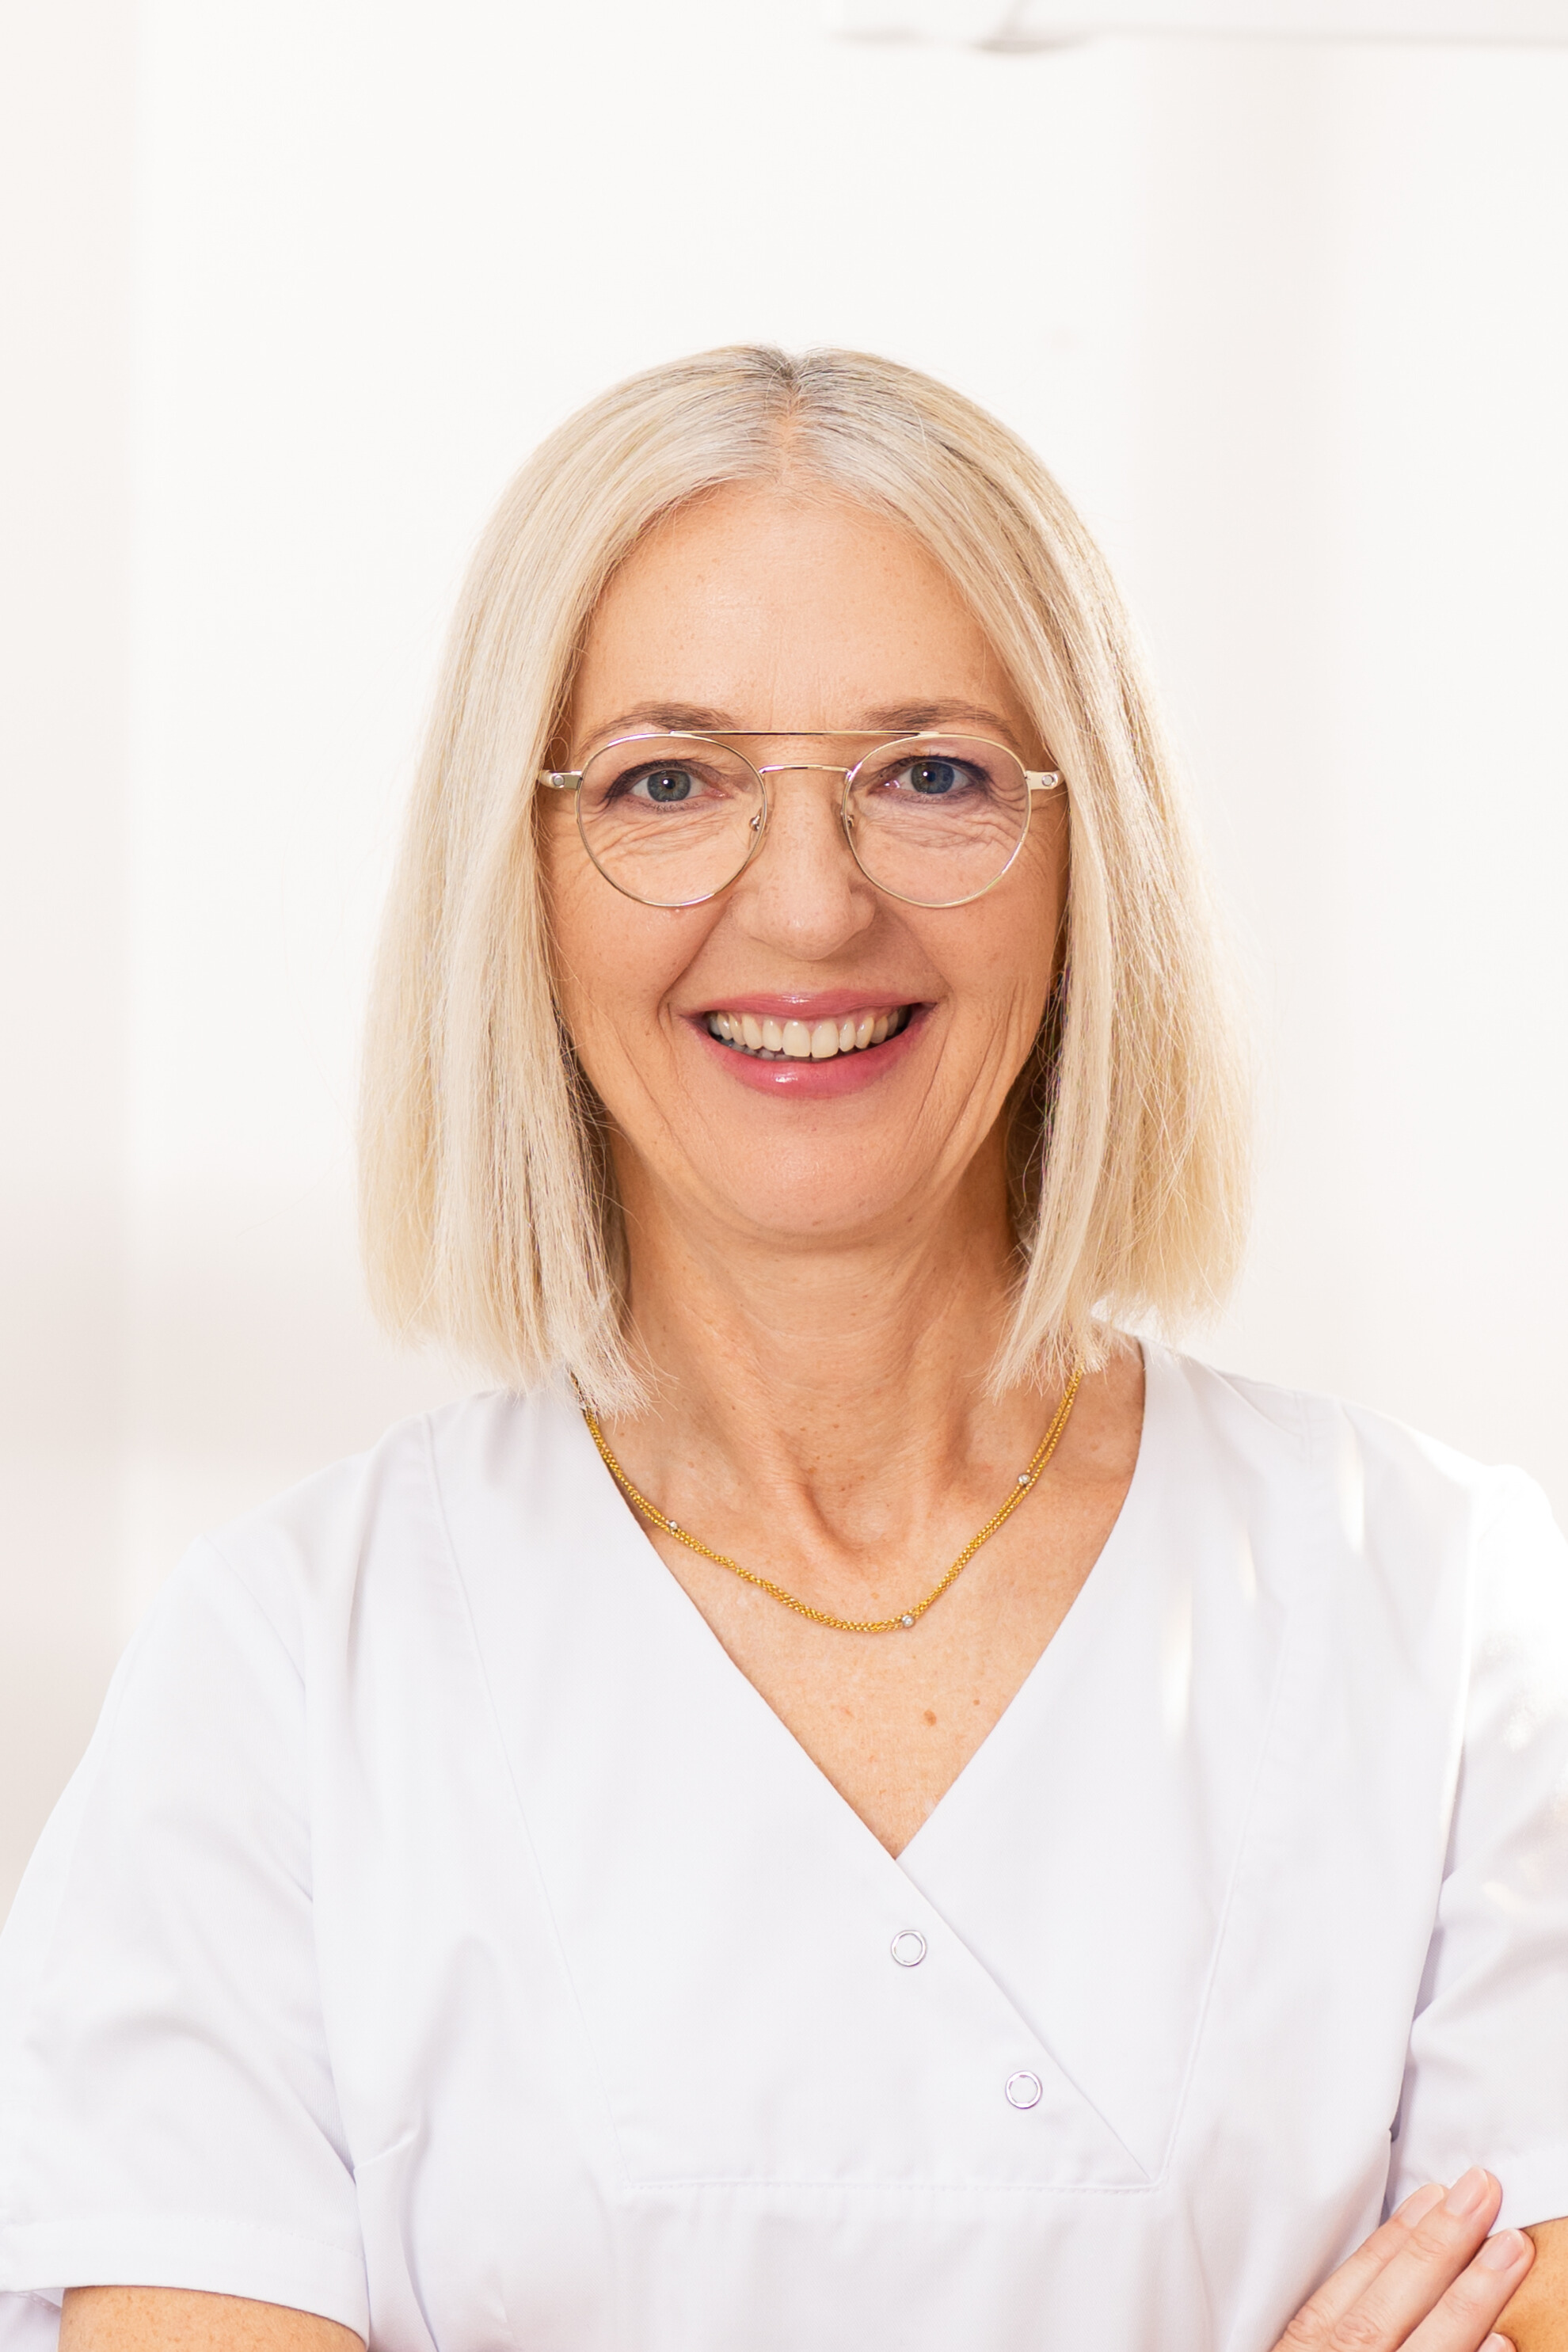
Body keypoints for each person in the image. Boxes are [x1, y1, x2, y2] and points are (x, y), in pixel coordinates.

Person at [1, 346, 1565, 2352]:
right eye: (669, 780)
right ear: (527, 878)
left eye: (932, 775)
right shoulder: (290, 1676)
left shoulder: (1441, 1620)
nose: (812, 904)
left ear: (1097, 864)